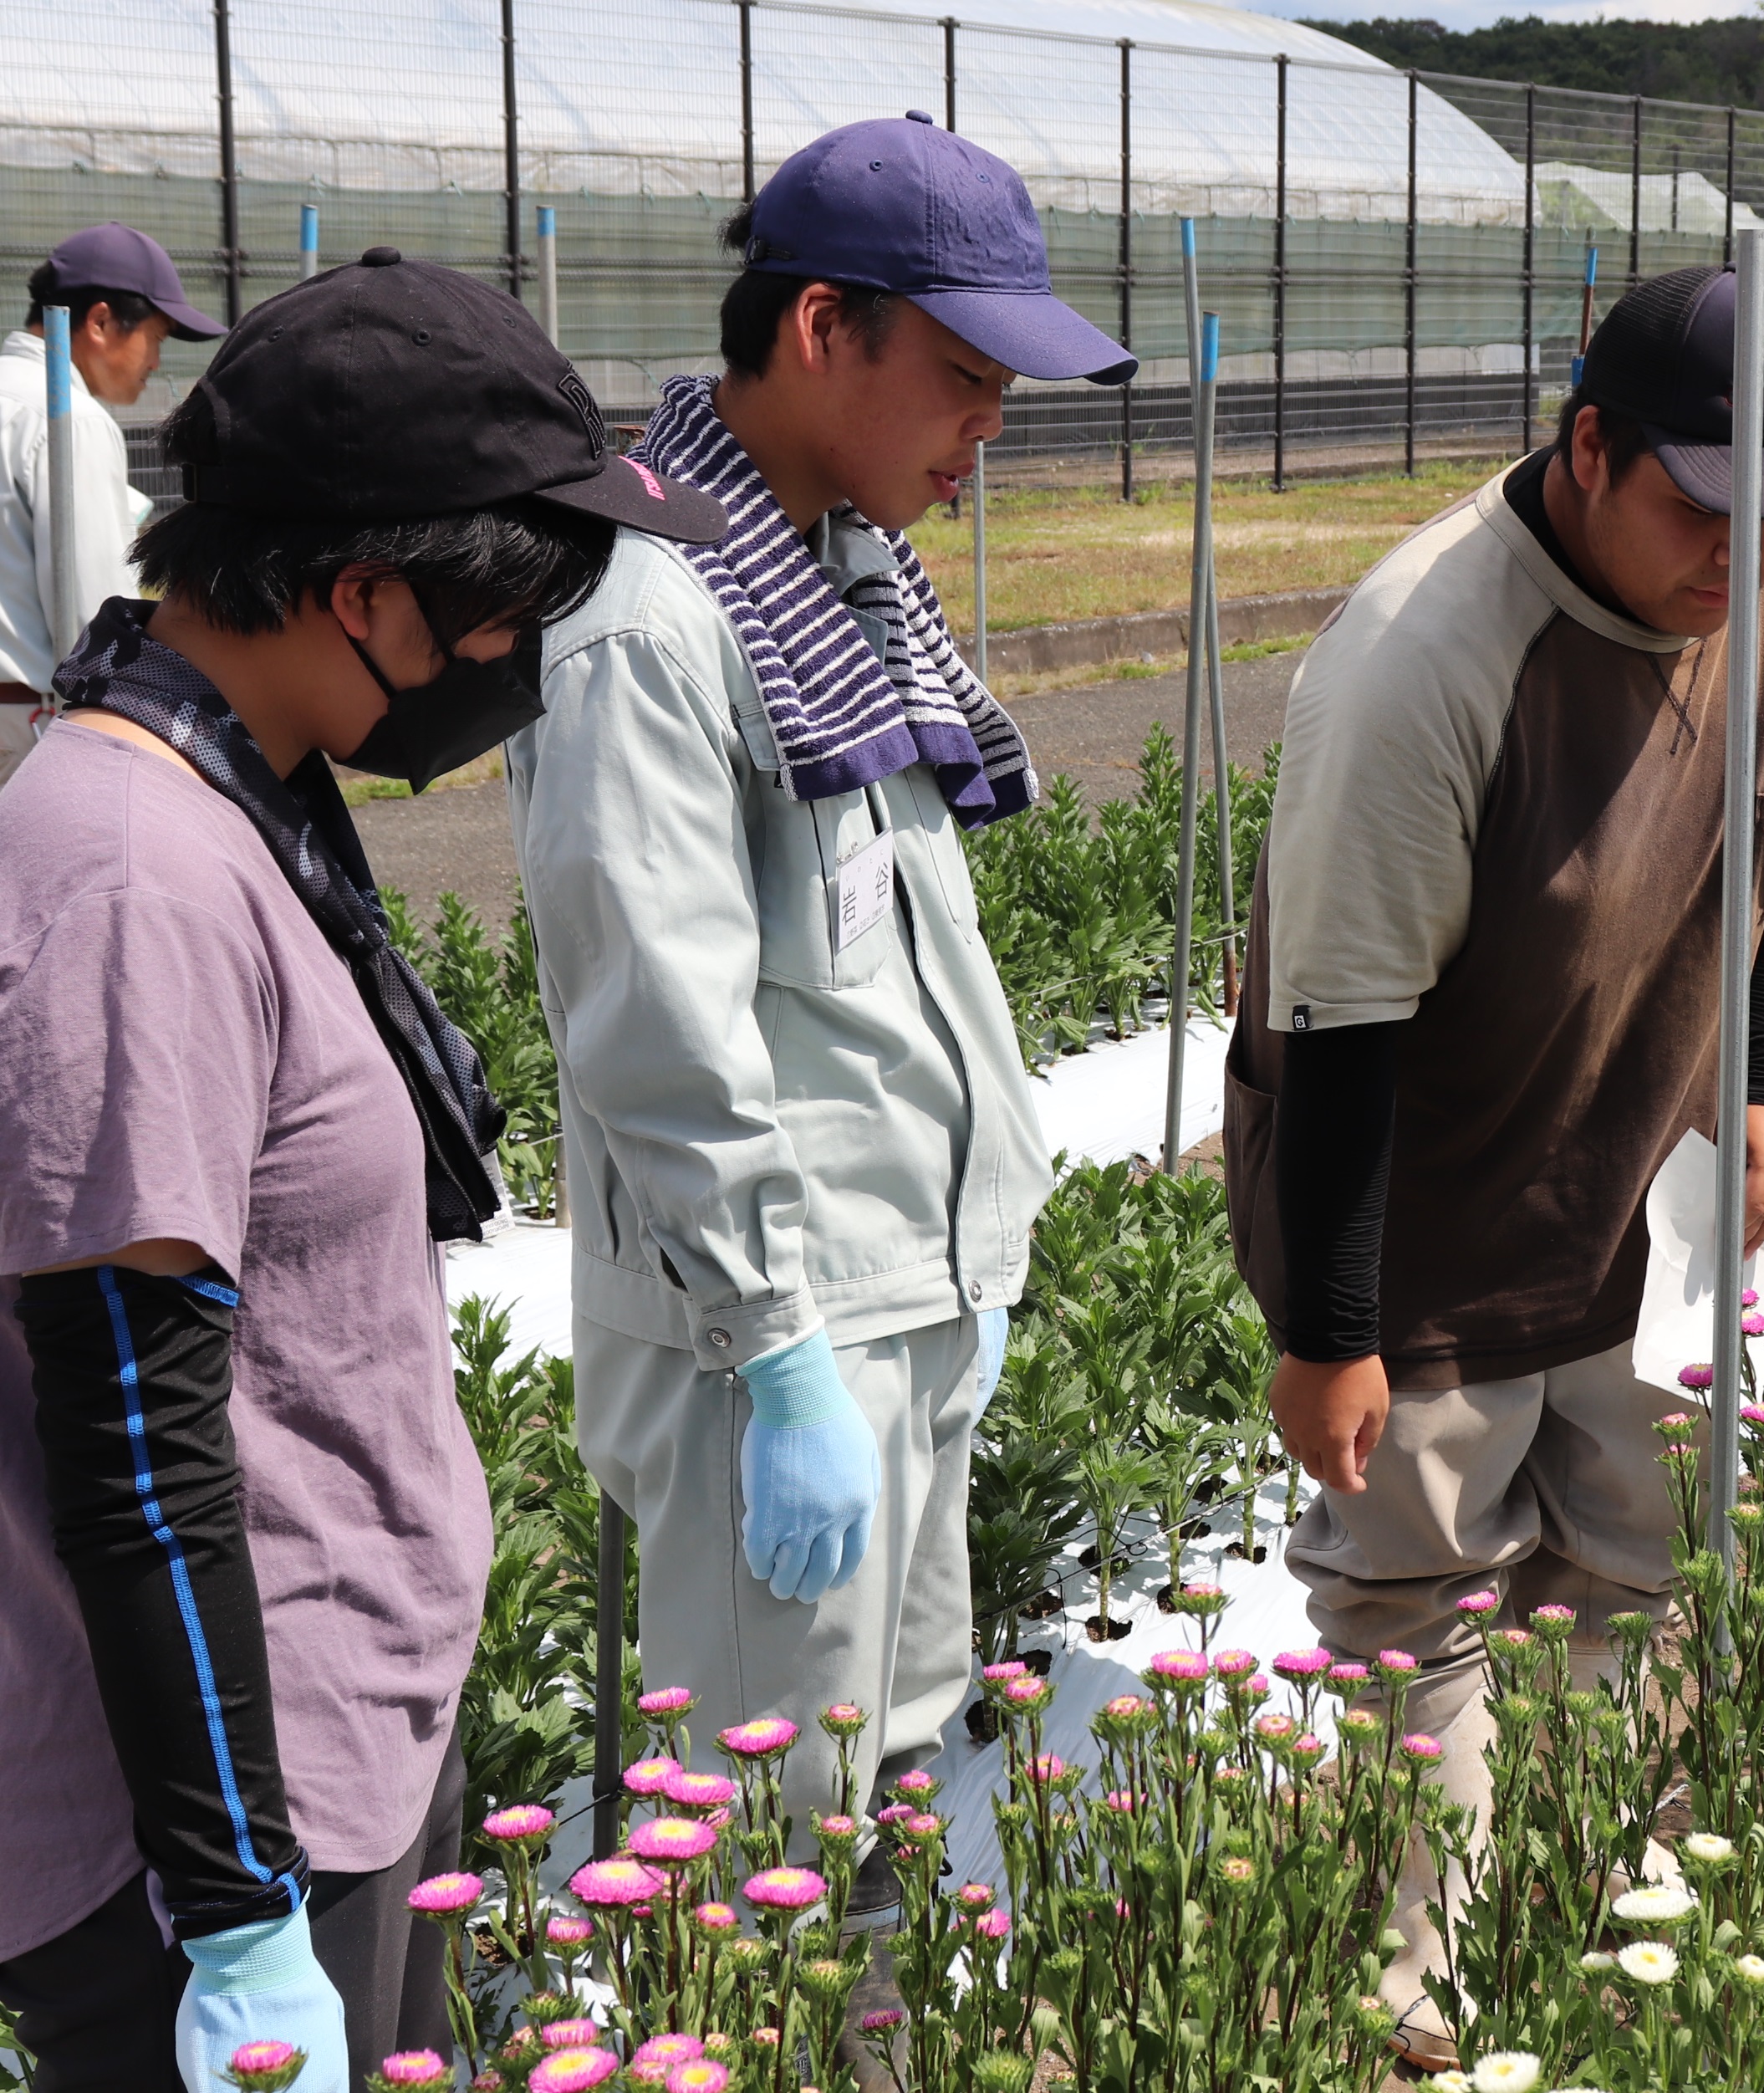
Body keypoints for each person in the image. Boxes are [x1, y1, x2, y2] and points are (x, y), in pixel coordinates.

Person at [0, 248, 724, 2093]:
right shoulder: (131, 877)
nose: (512, 663)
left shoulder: (240, 786)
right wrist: (238, 1918)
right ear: (357, 592)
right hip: (222, 1849)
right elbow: (137, 1441)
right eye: (497, 613)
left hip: (338, 1752)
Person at [1224, 265, 1764, 2062]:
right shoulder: (1423, 655)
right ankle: (1417, 1994)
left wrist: (1760, 1089)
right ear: (1586, 447)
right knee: (1416, 1591)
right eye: (1701, 504)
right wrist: (1331, 1322)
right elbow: (1340, 1022)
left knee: (1639, 1559)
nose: (1745, 553)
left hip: (1644, 1166)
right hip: (1421, 1189)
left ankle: (1601, 1912)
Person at [507, 112, 1134, 1887]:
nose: (988, 426)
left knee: (891, 1773)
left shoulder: (839, 576)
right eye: (960, 372)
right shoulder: (648, 618)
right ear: (816, 329)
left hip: (900, 1297)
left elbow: (903, 952)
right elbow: (660, 1032)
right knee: (753, 1837)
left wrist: (970, 1253)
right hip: (769, 1343)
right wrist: (781, 1353)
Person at [0, 224, 224, 789]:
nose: (155, 361)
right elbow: (92, 618)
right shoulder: (65, 417)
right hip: (24, 726)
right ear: (99, 322)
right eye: (156, 336)